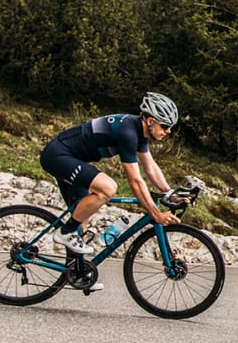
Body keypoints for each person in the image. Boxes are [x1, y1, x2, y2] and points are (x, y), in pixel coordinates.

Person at [40, 92, 182, 287]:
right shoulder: (128, 133)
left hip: (71, 158)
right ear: (150, 120)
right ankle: (65, 232)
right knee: (107, 188)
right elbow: (135, 181)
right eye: (165, 126)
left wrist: (169, 193)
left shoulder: (140, 133)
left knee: (82, 220)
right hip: (58, 155)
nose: (168, 132)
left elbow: (150, 167)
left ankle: (78, 274)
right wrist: (155, 213)